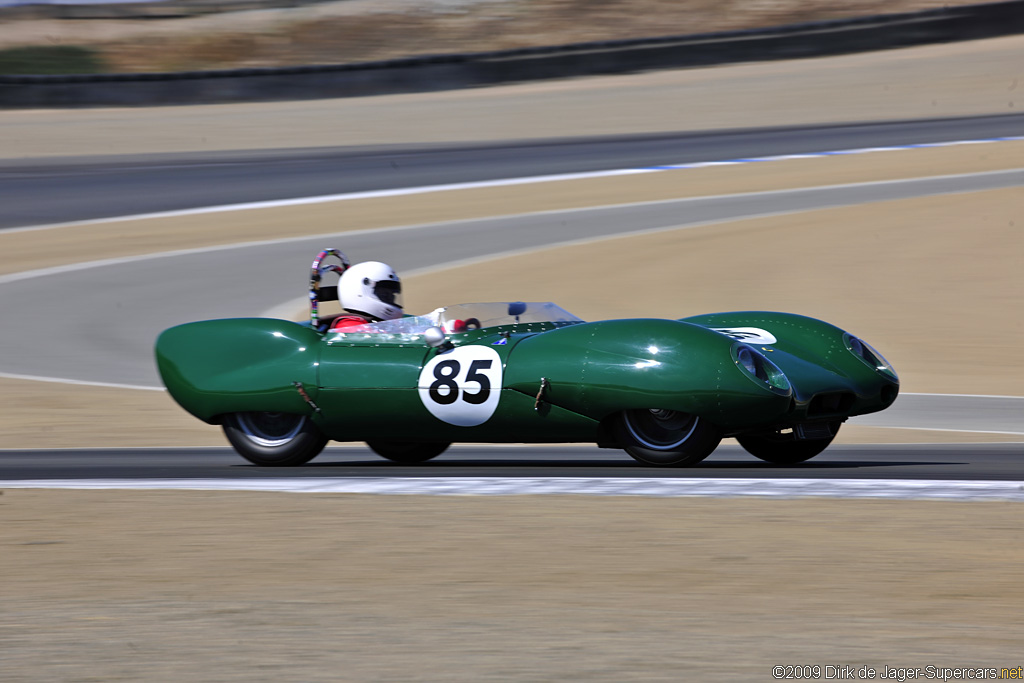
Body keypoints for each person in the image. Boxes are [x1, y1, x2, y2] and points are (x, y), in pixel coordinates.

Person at [330, 261, 404, 330]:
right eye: (384, 294)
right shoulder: (350, 326)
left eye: (392, 294)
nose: (390, 297)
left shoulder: (386, 323)